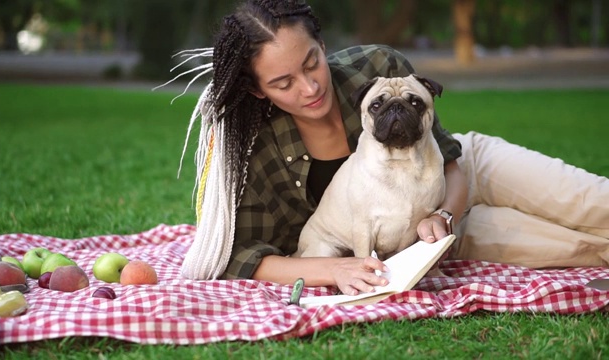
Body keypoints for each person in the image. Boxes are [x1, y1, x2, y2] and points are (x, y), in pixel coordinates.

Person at [178, 0, 609, 296]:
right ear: (257, 91)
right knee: (579, 249)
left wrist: (444, 213)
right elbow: (238, 257)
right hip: (424, 243)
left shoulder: (378, 66)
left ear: (322, 46)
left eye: (311, 62)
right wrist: (332, 269)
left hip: (461, 173)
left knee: (596, 203)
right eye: (283, 82)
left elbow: (448, 157)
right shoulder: (251, 151)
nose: (310, 87)